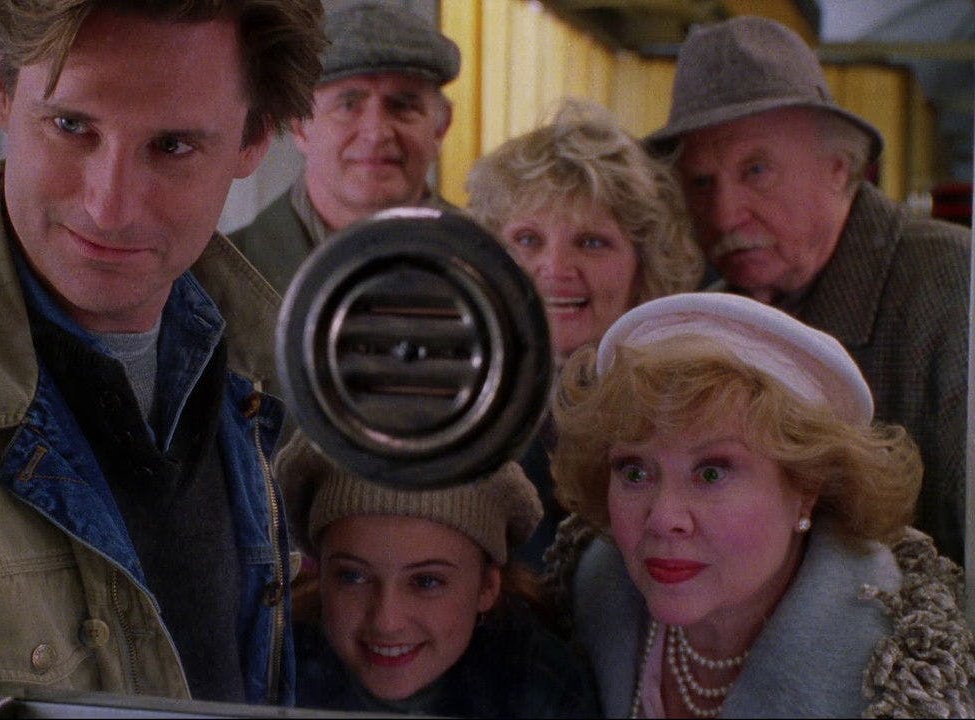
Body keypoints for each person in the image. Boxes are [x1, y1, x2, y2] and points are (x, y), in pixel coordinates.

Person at [0, 0, 325, 704]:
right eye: (71, 126)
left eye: (172, 146)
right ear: (2, 89)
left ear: (254, 140)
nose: (109, 206)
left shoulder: (272, 368)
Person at [542, 292, 974, 718]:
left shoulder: (899, 682)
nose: (663, 518)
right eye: (635, 472)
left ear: (806, 486)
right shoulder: (584, 610)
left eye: (712, 473)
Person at [645, 15, 970, 565]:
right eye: (701, 182)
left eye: (756, 170)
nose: (724, 214)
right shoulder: (713, 318)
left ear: (840, 169)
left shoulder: (951, 286)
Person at [465, 97, 703, 568]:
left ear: (645, 267)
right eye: (528, 240)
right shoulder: (455, 398)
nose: (555, 268)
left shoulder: (689, 406)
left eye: (592, 242)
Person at [273, 432, 598, 718]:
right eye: (352, 576)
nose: (386, 622)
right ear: (321, 574)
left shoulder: (539, 688)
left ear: (487, 586)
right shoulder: (271, 669)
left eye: (426, 581)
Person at [229, 1, 461, 294]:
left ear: (441, 126)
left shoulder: (493, 266)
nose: (376, 133)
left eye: (402, 106)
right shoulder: (214, 281)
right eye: (348, 105)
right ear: (300, 126)